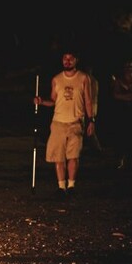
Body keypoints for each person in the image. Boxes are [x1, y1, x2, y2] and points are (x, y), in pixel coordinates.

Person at [34, 49, 95, 198]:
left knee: (73, 156)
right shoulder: (56, 79)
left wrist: (91, 120)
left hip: (76, 122)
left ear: (76, 60)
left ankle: (71, 185)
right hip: (58, 123)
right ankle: (61, 187)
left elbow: (88, 100)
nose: (67, 61)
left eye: (70, 59)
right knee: (58, 157)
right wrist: (41, 102)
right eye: (65, 59)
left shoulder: (83, 78)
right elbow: (53, 101)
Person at [110, 59, 132, 170]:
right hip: (122, 111)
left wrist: (124, 96)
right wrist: (130, 96)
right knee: (121, 135)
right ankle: (120, 159)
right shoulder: (119, 80)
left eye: (130, 66)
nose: (128, 69)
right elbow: (115, 95)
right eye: (126, 67)